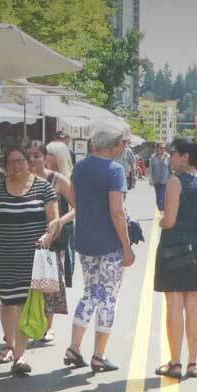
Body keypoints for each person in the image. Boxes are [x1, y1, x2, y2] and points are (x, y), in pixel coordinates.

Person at [0, 145, 58, 374]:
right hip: (5, 255)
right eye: (11, 162)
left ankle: (19, 356)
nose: (15, 166)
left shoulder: (44, 188)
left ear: (29, 163)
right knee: (7, 302)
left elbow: (54, 221)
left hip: (31, 257)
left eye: (20, 161)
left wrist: (49, 235)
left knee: (24, 303)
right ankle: (9, 343)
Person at [64, 122, 135, 373]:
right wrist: (127, 246)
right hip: (109, 243)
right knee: (108, 297)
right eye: (122, 143)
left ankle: (74, 347)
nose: (123, 147)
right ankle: (99, 355)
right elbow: (117, 210)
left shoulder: (80, 167)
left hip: (85, 240)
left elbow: (74, 200)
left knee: (90, 293)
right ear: (112, 146)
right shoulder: (114, 170)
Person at [154, 137, 197, 379]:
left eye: (174, 153)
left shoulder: (175, 181)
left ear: (185, 157)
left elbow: (169, 220)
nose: (170, 157)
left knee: (174, 305)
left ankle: (175, 363)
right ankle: (193, 363)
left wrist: (160, 221)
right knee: (195, 307)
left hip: (176, 247)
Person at [29, 142, 74, 343]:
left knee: (49, 284)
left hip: (52, 240)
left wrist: (60, 221)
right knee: (28, 285)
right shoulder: (22, 180)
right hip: (26, 238)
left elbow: (77, 207)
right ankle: (27, 323)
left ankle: (47, 327)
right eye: (29, 156)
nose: (32, 160)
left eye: (37, 155)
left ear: (45, 157)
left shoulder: (58, 179)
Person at [46, 141, 77, 287]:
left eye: (49, 154)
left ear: (58, 156)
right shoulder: (42, 176)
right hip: (44, 230)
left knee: (59, 271)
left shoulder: (67, 178)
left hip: (62, 231)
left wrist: (61, 221)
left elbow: (77, 208)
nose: (46, 157)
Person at [149, 143, 172, 211]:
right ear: (157, 149)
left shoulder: (168, 157)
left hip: (165, 181)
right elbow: (151, 169)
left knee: (163, 195)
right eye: (161, 148)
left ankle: (162, 210)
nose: (163, 149)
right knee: (158, 196)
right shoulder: (153, 157)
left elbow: (171, 169)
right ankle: (160, 208)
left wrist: (172, 179)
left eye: (164, 148)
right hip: (156, 180)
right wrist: (150, 179)